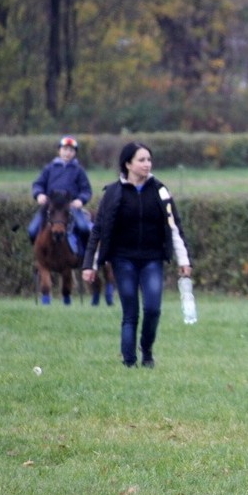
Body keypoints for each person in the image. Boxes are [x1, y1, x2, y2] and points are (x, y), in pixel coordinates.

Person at [82, 142, 192, 369]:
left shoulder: (160, 190)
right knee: (130, 312)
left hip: (152, 259)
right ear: (128, 164)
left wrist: (184, 260)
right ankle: (129, 362)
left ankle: (147, 350)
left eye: (149, 160)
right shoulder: (113, 193)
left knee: (153, 308)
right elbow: (99, 231)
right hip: (123, 260)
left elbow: (174, 226)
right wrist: (89, 265)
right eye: (141, 160)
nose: (147, 164)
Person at [28, 135, 93, 254]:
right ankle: (39, 258)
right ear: (59, 150)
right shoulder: (49, 168)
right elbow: (38, 184)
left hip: (69, 207)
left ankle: (84, 257)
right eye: (65, 149)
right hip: (50, 207)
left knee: (84, 228)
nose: (67, 153)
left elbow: (86, 190)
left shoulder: (78, 170)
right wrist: (39, 195)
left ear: (75, 153)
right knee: (32, 230)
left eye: (71, 150)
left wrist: (80, 200)